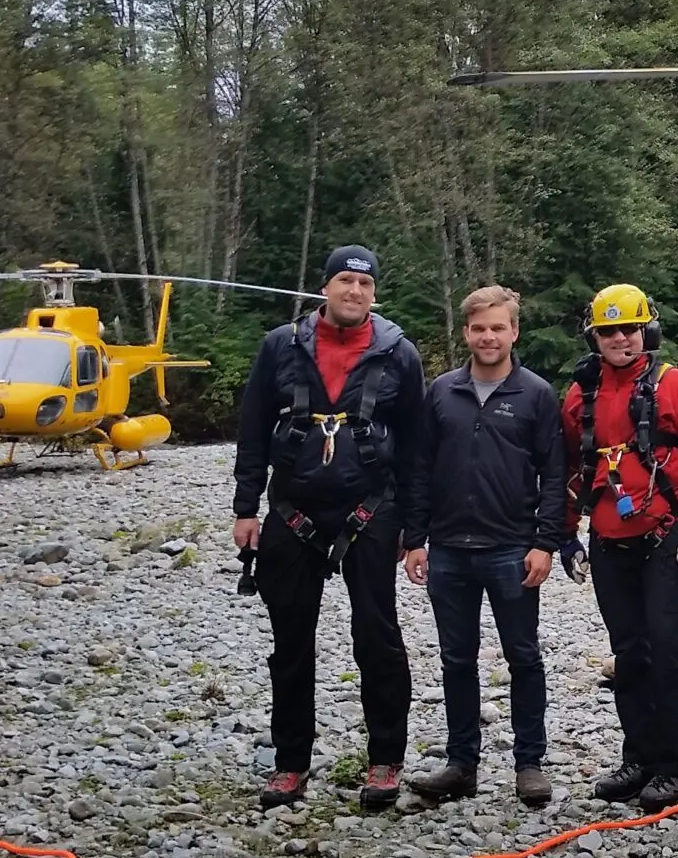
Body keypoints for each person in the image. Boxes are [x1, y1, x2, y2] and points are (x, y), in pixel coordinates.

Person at [231, 245, 427, 811]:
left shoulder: (398, 355)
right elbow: (251, 431)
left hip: (371, 507)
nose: (354, 292)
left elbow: (416, 449)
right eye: (345, 281)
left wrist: (415, 532)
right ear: (326, 287)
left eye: (364, 285)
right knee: (291, 641)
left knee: (377, 637)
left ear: (374, 293)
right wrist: (247, 509)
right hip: (293, 507)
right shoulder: (281, 347)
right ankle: (290, 763)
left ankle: (386, 759)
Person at [558, 283, 678, 814]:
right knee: (628, 651)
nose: (620, 339)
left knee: (666, 646)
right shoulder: (578, 395)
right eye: (608, 331)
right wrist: (565, 532)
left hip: (667, 538)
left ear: (646, 331)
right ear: (594, 336)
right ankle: (639, 757)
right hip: (609, 541)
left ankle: (675, 766)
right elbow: (568, 468)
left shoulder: (674, 387)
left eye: (629, 329)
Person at [400, 286, 569, 808]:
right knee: (456, 659)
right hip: (448, 549)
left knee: (524, 657)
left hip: (511, 549)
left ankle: (529, 764)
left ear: (514, 331)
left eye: (498, 327)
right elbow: (420, 469)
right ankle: (461, 764)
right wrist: (415, 539)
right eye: (479, 328)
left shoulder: (536, 394)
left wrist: (545, 542)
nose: (488, 337)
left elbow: (556, 474)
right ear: (466, 332)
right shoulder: (441, 392)